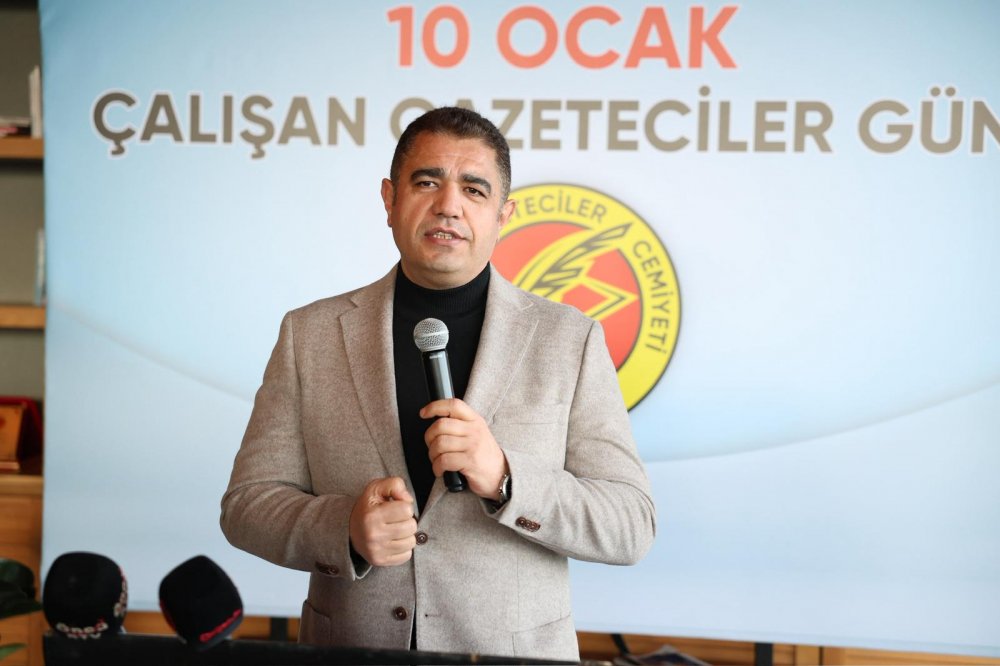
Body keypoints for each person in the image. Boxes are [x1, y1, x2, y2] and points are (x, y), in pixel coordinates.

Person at [220, 107, 655, 661]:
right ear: (389, 199)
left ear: (503, 215)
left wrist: (505, 477)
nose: (449, 205)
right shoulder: (310, 334)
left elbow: (630, 524)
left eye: (474, 189)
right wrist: (345, 529)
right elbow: (247, 505)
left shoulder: (570, 340)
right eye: (427, 182)